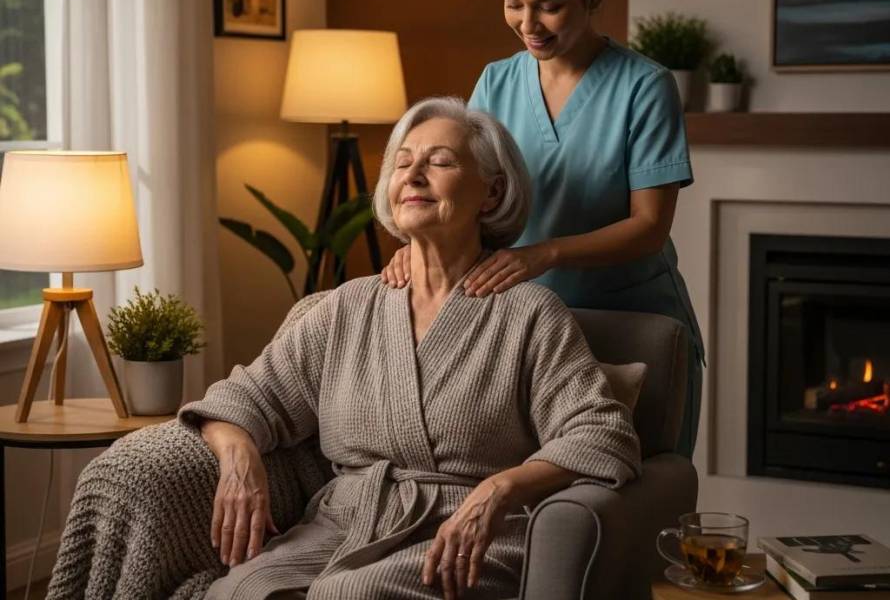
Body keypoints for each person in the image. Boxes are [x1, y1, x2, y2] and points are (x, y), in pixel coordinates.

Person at [179, 97, 641, 599]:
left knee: (348, 596)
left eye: (440, 162)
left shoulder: (529, 313)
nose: (414, 175)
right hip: (346, 525)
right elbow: (241, 400)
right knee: (236, 592)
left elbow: (602, 433)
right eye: (403, 162)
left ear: (492, 193)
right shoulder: (348, 306)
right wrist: (239, 456)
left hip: (466, 537)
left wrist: (500, 489)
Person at [382, 0, 705, 458]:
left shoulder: (646, 87)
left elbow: (649, 227)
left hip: (631, 325)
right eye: (513, 5)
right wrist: (421, 249)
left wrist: (543, 254)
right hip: (523, 326)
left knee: (630, 497)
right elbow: (467, 195)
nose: (528, 24)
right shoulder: (496, 81)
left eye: (549, 6)